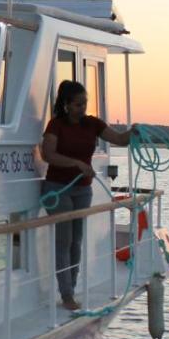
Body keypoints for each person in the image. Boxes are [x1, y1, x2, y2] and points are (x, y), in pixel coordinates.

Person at [40, 80, 136, 310]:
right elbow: (48, 155)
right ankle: (67, 295)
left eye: (84, 103)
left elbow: (120, 139)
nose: (82, 108)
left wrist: (134, 132)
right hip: (58, 188)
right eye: (77, 104)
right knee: (64, 240)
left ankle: (70, 288)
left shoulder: (93, 123)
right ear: (66, 104)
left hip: (82, 189)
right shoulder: (56, 125)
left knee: (77, 241)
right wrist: (76, 163)